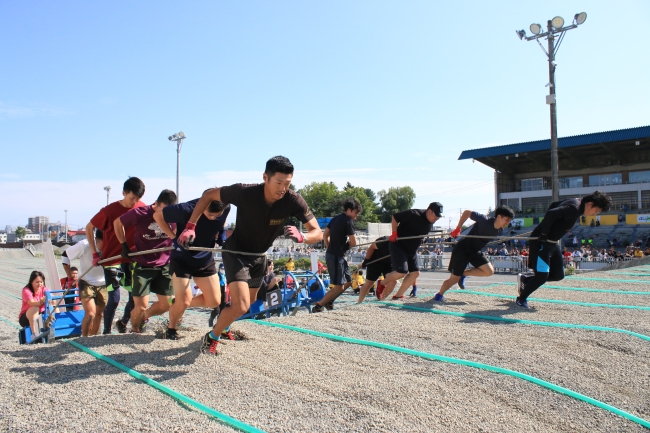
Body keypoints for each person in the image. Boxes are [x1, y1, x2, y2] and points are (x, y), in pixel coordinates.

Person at [179, 156, 322, 354]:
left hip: (259, 256)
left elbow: (317, 232)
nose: (283, 188)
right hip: (235, 252)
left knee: (249, 303)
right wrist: (190, 226)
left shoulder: (293, 200)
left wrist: (302, 237)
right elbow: (208, 196)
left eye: (287, 183)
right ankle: (211, 337)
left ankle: (225, 322)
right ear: (265, 177)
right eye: (278, 182)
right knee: (241, 305)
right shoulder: (243, 192)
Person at [516, 191, 612, 309]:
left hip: (552, 243)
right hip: (541, 243)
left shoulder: (577, 203)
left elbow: (554, 204)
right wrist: (544, 233)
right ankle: (521, 299)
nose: (594, 214)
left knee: (558, 275)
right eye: (596, 211)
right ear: (590, 204)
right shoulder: (574, 207)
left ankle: (526, 280)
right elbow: (551, 213)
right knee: (542, 277)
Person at [153, 195, 230, 340]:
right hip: (182, 258)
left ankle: (178, 303)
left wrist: (222, 234)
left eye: (217, 215)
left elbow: (222, 220)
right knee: (184, 300)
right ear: (203, 207)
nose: (213, 218)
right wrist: (173, 237)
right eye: (209, 214)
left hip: (205, 258)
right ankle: (171, 328)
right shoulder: (185, 209)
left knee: (214, 301)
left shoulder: (226, 207)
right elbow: (157, 216)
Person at [86, 177, 146, 334]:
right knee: (114, 298)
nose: (134, 202)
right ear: (124, 193)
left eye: (138, 199)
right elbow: (89, 228)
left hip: (133, 258)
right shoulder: (109, 211)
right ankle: (106, 332)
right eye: (132, 198)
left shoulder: (142, 208)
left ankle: (123, 322)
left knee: (135, 296)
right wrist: (94, 253)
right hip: (112, 260)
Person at [114, 189, 177, 333]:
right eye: (163, 211)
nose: (166, 216)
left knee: (167, 303)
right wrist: (123, 245)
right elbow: (117, 223)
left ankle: (145, 317)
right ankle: (135, 330)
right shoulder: (141, 213)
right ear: (156, 204)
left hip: (164, 264)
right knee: (141, 305)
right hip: (143, 264)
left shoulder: (175, 215)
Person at [432, 206, 514, 302]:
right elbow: (467, 212)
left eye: (509, 221)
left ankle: (463, 274)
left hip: (475, 251)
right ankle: (439, 295)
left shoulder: (500, 230)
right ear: (499, 217)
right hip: (462, 250)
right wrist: (458, 228)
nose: (508, 223)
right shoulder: (484, 219)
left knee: (489, 271)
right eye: (507, 220)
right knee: (453, 279)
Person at [377, 202, 443, 300]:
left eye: (438, 217)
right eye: (436, 216)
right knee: (401, 272)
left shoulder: (430, 223)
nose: (436, 219)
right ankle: (381, 283)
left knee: (415, 273)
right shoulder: (414, 214)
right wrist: (394, 233)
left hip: (412, 250)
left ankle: (398, 295)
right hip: (399, 245)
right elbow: (395, 217)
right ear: (429, 211)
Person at [312, 198, 361, 312]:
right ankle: (318, 306)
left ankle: (330, 301)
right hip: (336, 256)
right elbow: (353, 243)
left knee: (349, 282)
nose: (356, 216)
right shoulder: (348, 221)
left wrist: (328, 246)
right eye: (355, 212)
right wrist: (346, 245)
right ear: (349, 210)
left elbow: (325, 235)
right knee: (339, 286)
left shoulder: (335, 218)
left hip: (335, 254)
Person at [62, 229, 107, 336]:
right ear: (96, 239)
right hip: (86, 282)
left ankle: (92, 339)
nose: (105, 246)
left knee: (99, 315)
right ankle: (84, 338)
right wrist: (70, 277)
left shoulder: (110, 246)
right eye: (102, 243)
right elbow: (65, 255)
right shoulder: (84, 245)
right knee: (91, 313)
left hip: (103, 284)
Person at [19, 271, 51, 339]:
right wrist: (41, 302)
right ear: (31, 282)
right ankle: (35, 334)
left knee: (54, 308)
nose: (39, 284)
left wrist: (50, 300)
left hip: (41, 313)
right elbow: (31, 303)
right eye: (37, 282)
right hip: (26, 317)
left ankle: (56, 327)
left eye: (41, 282)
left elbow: (53, 301)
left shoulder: (45, 289)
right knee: (35, 308)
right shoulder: (26, 290)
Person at [209, 263, 230, 328]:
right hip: (217, 293)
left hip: (224, 293)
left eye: (224, 269)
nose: (223, 270)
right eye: (222, 269)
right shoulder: (216, 276)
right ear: (219, 268)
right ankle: (211, 319)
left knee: (222, 311)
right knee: (216, 310)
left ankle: (218, 325)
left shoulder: (227, 276)